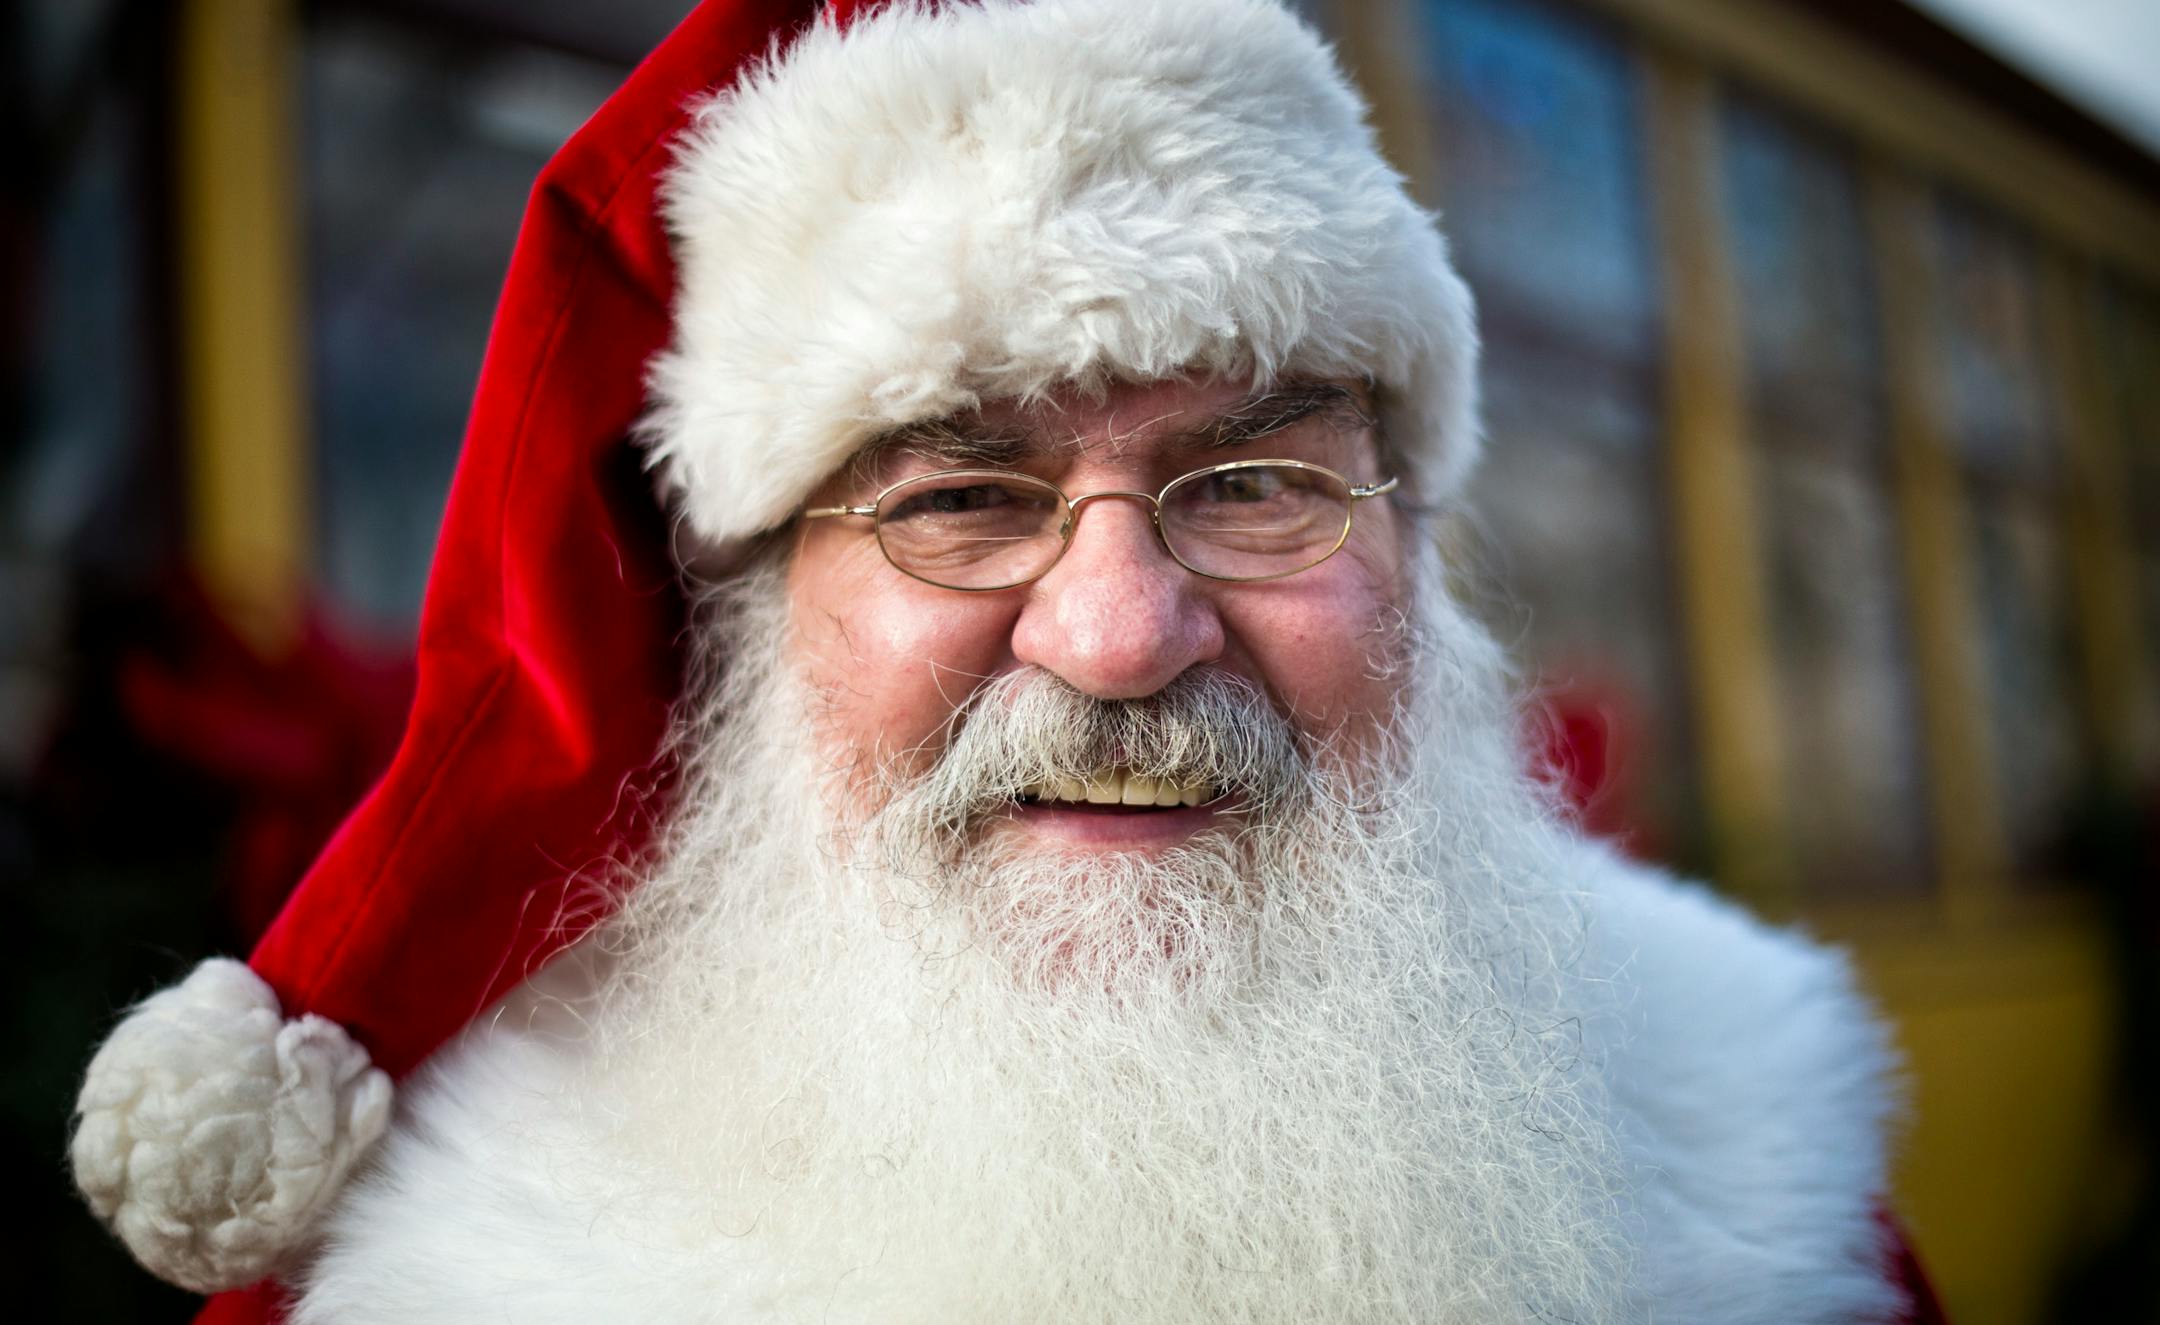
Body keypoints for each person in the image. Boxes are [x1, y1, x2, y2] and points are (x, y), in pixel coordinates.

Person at [70, 1, 1948, 1321]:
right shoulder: (463, 1281)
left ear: (1418, 559)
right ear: (740, 628)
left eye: (1263, 484)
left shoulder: (1764, 1207)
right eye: (960, 499)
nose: (1122, 634)